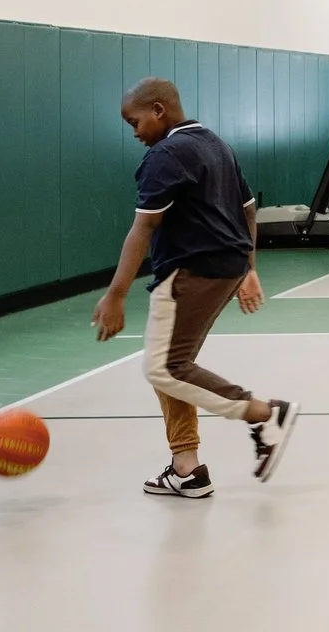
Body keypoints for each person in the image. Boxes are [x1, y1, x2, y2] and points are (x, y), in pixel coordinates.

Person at [90, 77, 299, 498]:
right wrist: (250, 269)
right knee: (174, 365)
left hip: (192, 271)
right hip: (227, 267)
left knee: (164, 368)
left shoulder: (166, 155)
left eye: (135, 122)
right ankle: (187, 467)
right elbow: (248, 209)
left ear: (158, 111)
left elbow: (143, 228)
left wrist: (114, 295)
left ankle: (263, 413)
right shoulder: (215, 144)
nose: (134, 133)